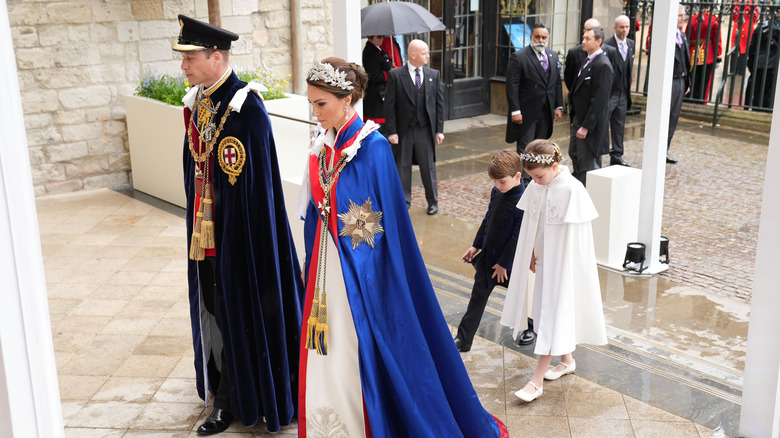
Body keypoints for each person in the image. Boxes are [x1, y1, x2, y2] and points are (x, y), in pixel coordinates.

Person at [298, 57, 509, 437]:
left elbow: (382, 229)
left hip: (362, 273)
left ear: (347, 100)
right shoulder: (322, 147)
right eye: (311, 104)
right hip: (326, 270)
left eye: (321, 104)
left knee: (357, 347)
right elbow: (319, 210)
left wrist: (360, 271)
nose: (315, 113)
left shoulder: (373, 148)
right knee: (329, 350)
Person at [174, 15, 304, 435]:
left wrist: (237, 240)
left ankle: (234, 399)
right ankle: (222, 389)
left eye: (190, 58)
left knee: (236, 313)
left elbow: (258, 191)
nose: (183, 67)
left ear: (216, 56)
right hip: (206, 234)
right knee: (214, 310)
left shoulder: (245, 108)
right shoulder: (199, 102)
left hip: (242, 239)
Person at [500, 139, 607, 403]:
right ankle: (567, 360)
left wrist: (562, 266)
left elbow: (577, 240)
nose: (534, 182)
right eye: (531, 177)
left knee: (549, 314)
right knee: (545, 311)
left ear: (555, 166)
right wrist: (532, 252)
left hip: (562, 266)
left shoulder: (572, 190)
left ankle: (536, 381)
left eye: (538, 176)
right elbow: (533, 224)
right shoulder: (538, 185)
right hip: (544, 261)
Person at [455, 151, 528, 353]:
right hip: (488, 260)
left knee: (524, 298)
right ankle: (463, 338)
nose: (498, 186)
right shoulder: (496, 192)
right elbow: (487, 220)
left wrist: (505, 263)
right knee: (477, 298)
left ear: (517, 176)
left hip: (509, 264)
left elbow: (517, 236)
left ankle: (531, 328)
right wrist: (475, 246)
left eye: (502, 182)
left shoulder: (524, 200)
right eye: (494, 181)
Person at [385, 39, 445, 215]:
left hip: (424, 129)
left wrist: (439, 130)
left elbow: (439, 104)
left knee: (428, 167)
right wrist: (392, 132)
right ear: (413, 55)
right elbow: (389, 106)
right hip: (403, 130)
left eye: (427, 52)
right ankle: (404, 201)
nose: (428, 55)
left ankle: (432, 202)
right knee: (402, 167)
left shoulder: (433, 74)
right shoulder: (396, 75)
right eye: (424, 52)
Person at [505, 23, 564, 171]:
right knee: (526, 149)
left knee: (541, 147)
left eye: (544, 37)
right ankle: (524, 180)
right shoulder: (519, 57)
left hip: (546, 111)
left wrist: (558, 105)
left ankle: (538, 175)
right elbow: (512, 86)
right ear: (531, 37)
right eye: (537, 37)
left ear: (548, 38)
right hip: (526, 113)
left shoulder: (553, 56)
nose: (540, 40)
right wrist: (515, 111)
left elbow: (556, 82)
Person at [567, 27, 614, 186]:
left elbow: (599, 100)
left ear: (598, 41)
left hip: (589, 127)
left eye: (587, 39)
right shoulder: (588, 60)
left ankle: (587, 200)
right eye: (583, 38)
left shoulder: (603, 64)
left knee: (587, 165)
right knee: (575, 156)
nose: (583, 42)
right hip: (578, 120)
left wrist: (586, 126)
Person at [603, 15, 635, 167]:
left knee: (619, 125)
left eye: (627, 27)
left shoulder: (631, 44)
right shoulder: (607, 45)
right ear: (615, 28)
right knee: (602, 124)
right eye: (621, 27)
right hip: (610, 93)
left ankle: (617, 154)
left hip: (623, 93)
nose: (624, 30)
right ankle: (598, 153)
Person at [668, 6, 692, 164]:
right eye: (679, 15)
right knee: (665, 116)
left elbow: (686, 60)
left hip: (681, 81)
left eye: (683, 15)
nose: (682, 18)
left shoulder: (682, 35)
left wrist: (687, 82)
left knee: (673, 118)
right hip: (670, 81)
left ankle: (665, 150)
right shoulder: (668, 36)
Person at [747, 9, 780, 111]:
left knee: (758, 94)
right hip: (774, 66)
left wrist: (752, 65)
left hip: (759, 64)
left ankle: (756, 112)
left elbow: (752, 47)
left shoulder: (761, 26)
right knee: (770, 96)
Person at [686, 7, 722, 101]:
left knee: (691, 82)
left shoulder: (692, 18)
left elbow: (687, 36)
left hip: (692, 55)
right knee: (704, 85)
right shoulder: (714, 19)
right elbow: (717, 40)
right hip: (707, 56)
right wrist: (718, 56)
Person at [362, 35, 393, 131]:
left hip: (382, 91)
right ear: (370, 37)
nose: (382, 39)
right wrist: (390, 73)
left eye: (383, 36)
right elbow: (374, 76)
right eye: (379, 37)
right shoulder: (370, 52)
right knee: (378, 126)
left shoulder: (378, 49)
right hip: (375, 94)